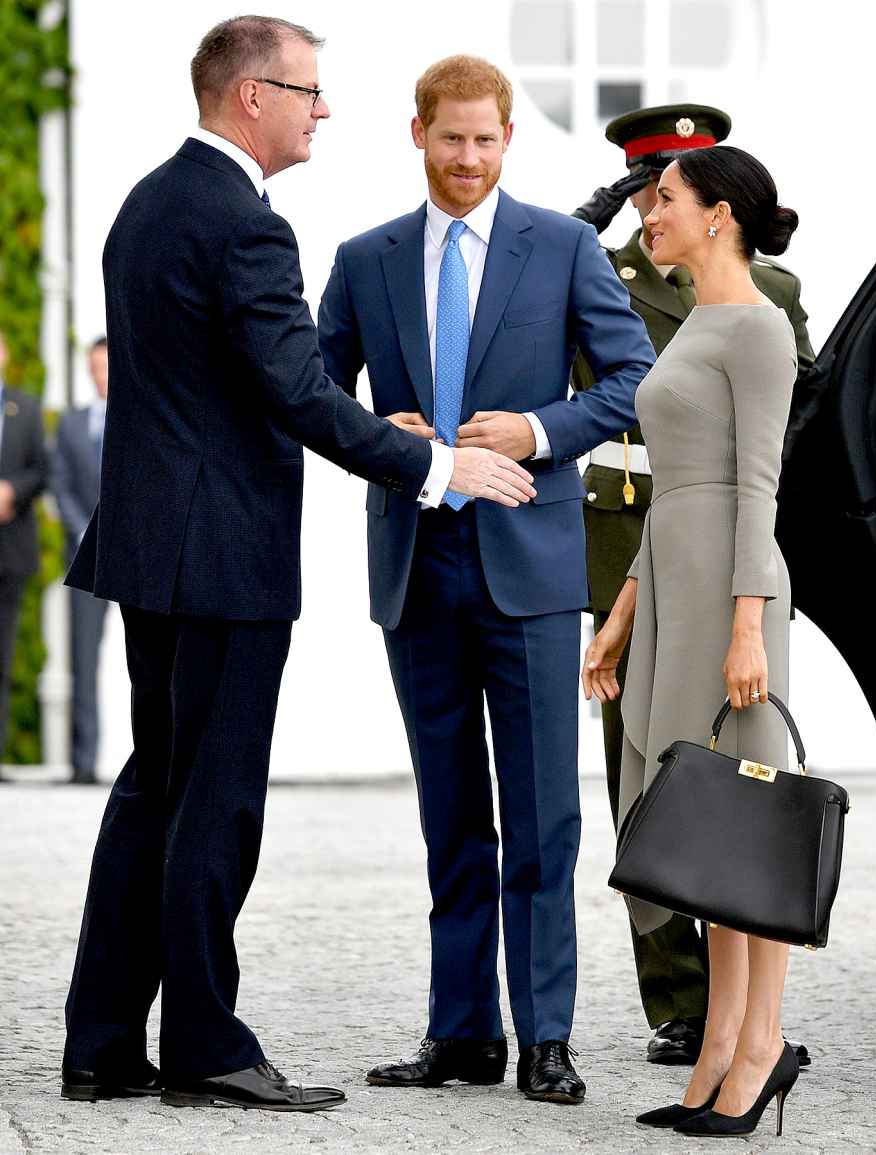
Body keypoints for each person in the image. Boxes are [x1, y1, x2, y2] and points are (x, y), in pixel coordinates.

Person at [60, 18, 534, 1114]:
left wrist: (366, 416)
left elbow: (249, 371)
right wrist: (431, 462)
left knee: (154, 792)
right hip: (221, 557)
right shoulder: (247, 225)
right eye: (309, 91)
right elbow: (292, 392)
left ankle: (102, 1044)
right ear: (249, 98)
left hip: (150, 549)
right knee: (213, 804)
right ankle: (208, 1049)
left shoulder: (151, 200)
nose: (324, 109)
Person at [317, 55, 655, 1106]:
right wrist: (382, 435)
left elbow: (639, 377)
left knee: (547, 812)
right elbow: (313, 391)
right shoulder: (364, 259)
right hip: (417, 560)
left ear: (508, 142)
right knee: (452, 811)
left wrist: (547, 428)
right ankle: (462, 1034)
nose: (468, 159)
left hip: (533, 564)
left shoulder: (559, 247)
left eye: (486, 140)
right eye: (451, 138)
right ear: (416, 133)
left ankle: (546, 1035)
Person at [572, 104, 814, 1067]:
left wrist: (749, 619)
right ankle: (705, 1030)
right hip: (657, 567)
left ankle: (749, 1051)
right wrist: (626, 612)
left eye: (665, 191)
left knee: (738, 808)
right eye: (644, 187)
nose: (647, 204)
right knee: (666, 801)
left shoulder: (759, 310)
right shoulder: (643, 285)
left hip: (727, 577)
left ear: (715, 210)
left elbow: (763, 469)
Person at [52, 336, 109, 784]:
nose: (99, 374)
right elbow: (61, 485)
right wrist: (83, 530)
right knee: (82, 661)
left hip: (140, 554)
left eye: (106, 366)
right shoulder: (71, 425)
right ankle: (84, 761)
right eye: (94, 366)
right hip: (87, 557)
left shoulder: (144, 417)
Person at [0, 328, 47, 781]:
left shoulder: (25, 408)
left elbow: (42, 469)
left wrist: (12, 489)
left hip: (10, 551)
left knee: (3, 656)